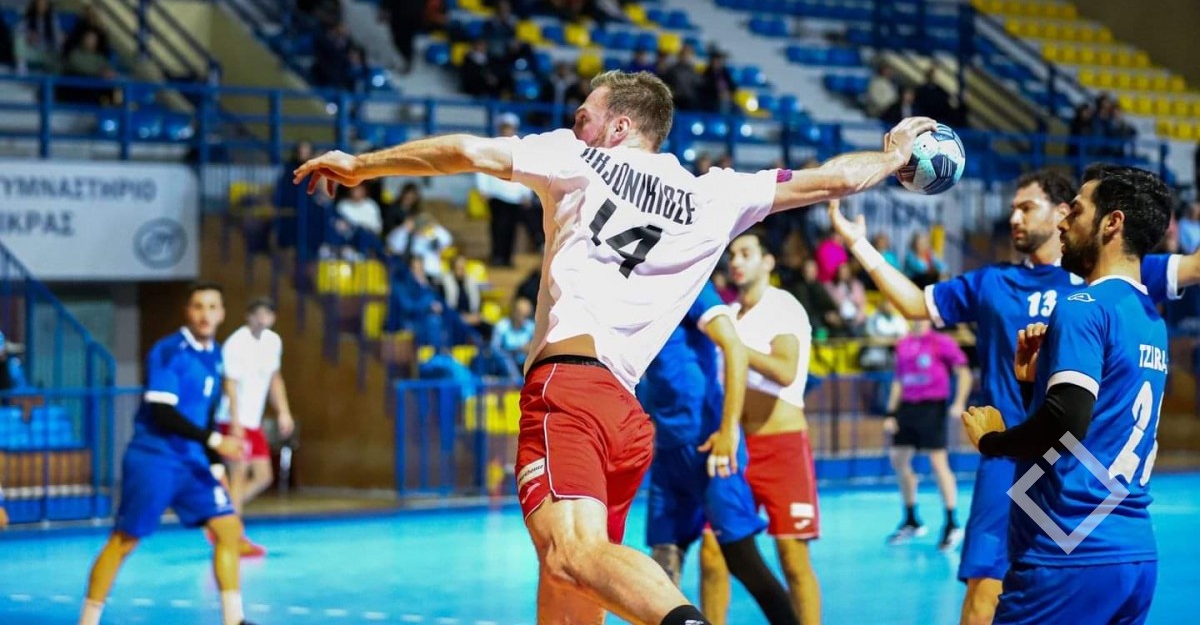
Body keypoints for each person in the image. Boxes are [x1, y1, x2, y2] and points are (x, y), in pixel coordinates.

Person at [294, 70, 936, 625]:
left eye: (585, 116)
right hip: (625, 418)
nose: (575, 125)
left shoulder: (577, 157)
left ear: (620, 126)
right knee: (572, 581)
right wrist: (896, 153)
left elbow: (463, 150)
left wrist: (361, 165)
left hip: (569, 390)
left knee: (570, 555)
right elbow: (833, 180)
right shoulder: (715, 195)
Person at [829, 168, 1197, 625]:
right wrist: (859, 244)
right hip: (1050, 481)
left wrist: (994, 440)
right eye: (1012, 209)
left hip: (1053, 478)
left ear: (1067, 213)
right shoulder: (1000, 283)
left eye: (1027, 207)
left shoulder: (1100, 293)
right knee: (984, 592)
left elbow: (1067, 417)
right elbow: (914, 304)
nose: (1015, 218)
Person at [962, 164, 1174, 625]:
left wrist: (992, 441)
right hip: (1133, 554)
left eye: (1075, 211)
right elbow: (1097, 423)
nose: (1063, 222)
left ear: (1112, 223)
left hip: (1067, 551)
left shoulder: (1082, 307)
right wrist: (1032, 385)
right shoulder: (1149, 318)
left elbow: (1066, 423)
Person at [78, 284, 255, 625]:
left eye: (212, 307)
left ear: (222, 313)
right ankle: (87, 621)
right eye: (198, 306)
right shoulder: (169, 351)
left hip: (192, 461)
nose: (205, 314)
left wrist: (215, 463)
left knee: (229, 530)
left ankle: (234, 620)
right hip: (154, 458)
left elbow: (203, 416)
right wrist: (217, 441)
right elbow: (163, 413)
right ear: (187, 312)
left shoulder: (216, 355)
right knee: (124, 541)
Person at [641, 279, 800, 625]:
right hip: (669, 450)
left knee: (741, 557)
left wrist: (728, 430)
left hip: (710, 444)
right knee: (662, 567)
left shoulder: (689, 282)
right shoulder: (637, 295)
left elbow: (735, 348)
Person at [701, 233, 821, 625]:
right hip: (736, 446)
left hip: (782, 447)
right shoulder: (726, 315)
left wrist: (734, 347)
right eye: (732, 254)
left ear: (767, 261)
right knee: (713, 550)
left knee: (793, 557)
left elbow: (785, 370)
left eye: (746, 253)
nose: (736, 261)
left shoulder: (782, 306)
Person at [883, 319, 972, 549]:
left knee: (938, 462)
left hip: (932, 408)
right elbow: (898, 381)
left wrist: (959, 402)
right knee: (898, 460)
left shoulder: (942, 342)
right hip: (907, 408)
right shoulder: (903, 344)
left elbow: (963, 373)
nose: (918, 320)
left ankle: (952, 522)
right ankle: (911, 519)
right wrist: (891, 413)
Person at [215, 298, 294, 557]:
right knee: (238, 475)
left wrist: (283, 412)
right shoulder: (236, 343)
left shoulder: (273, 342)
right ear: (248, 316)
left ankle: (221, 516)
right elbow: (229, 384)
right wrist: (235, 421)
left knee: (263, 476)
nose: (262, 319)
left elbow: (275, 379)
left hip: (253, 420)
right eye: (257, 314)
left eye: (267, 314)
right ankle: (232, 536)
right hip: (232, 419)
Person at [475, 114, 541, 266]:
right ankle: (497, 256)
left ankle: (507, 258)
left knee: (512, 229)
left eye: (510, 128)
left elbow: (525, 171)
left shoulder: (521, 149)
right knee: (498, 227)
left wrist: (526, 193)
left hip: (514, 197)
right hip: (497, 194)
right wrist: (483, 189)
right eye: (505, 128)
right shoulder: (492, 146)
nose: (508, 131)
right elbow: (482, 168)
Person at [486, 297, 536, 379]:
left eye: (526, 315)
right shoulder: (501, 326)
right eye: (521, 314)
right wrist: (517, 349)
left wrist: (531, 348)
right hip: (505, 362)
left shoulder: (531, 327)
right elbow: (494, 349)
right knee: (507, 359)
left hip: (525, 361)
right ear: (514, 312)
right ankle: (516, 382)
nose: (523, 318)